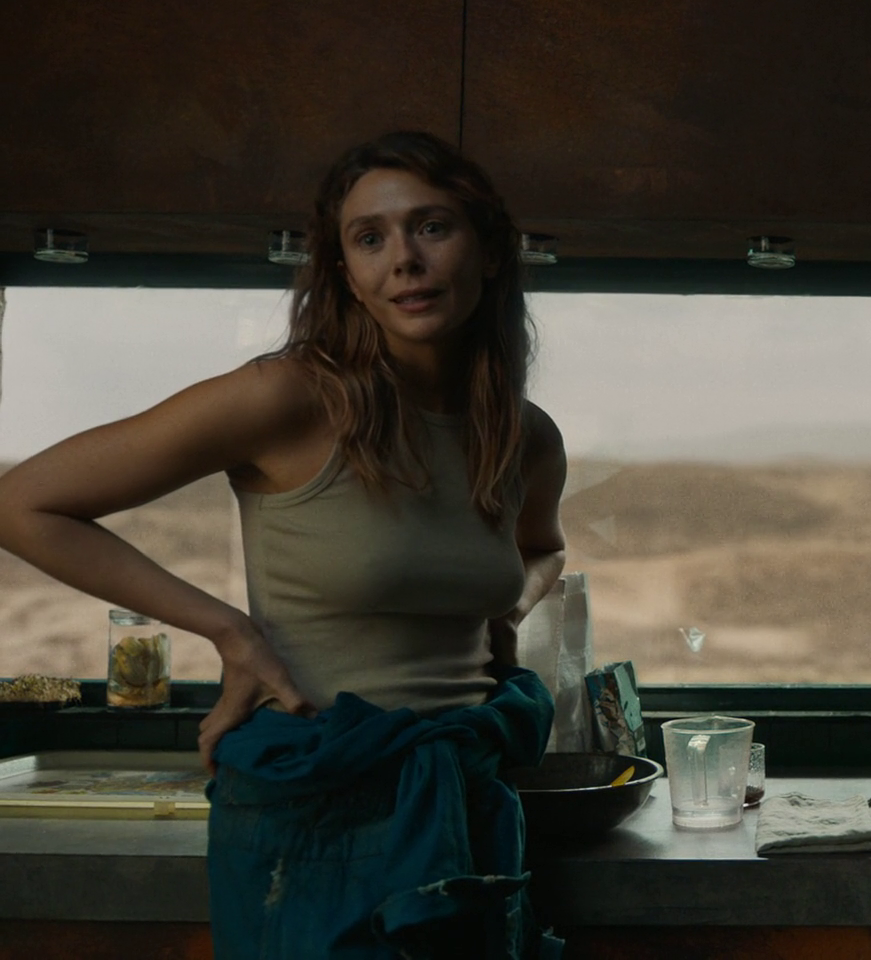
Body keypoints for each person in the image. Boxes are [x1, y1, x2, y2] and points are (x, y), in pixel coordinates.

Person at [0, 132, 568, 958]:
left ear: (486, 249)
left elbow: (544, 548)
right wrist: (231, 632)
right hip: (310, 809)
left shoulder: (523, 434)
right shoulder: (288, 396)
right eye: (369, 238)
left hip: (465, 801)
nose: (404, 260)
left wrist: (506, 611)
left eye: (432, 227)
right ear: (345, 272)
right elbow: (22, 505)